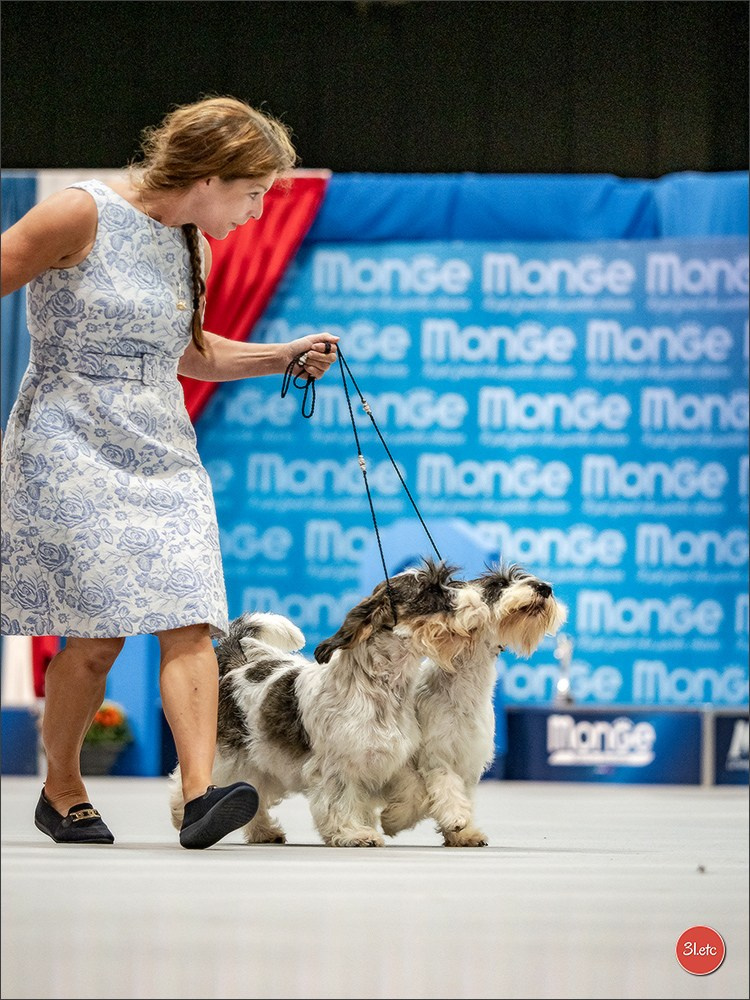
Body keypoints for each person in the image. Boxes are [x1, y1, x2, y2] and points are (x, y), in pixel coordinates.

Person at [0, 95, 339, 848]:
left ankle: (199, 796)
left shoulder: (193, 245)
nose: (255, 212)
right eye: (253, 194)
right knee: (96, 639)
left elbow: (189, 352)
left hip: (163, 448)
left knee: (191, 616)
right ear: (211, 175)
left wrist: (281, 355)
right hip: (69, 441)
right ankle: (61, 789)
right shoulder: (77, 214)